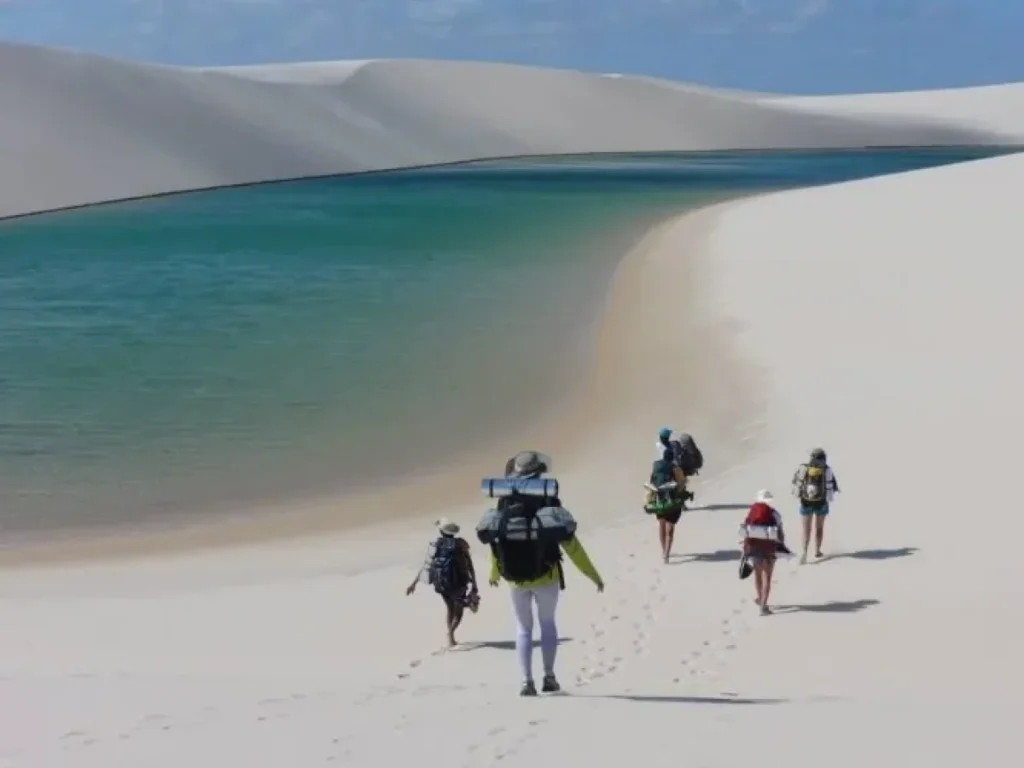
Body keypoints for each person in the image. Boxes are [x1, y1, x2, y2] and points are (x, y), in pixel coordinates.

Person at [480, 450, 604, 697]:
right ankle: (549, 677)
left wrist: (493, 572)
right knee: (547, 624)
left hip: (515, 579)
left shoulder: (504, 501)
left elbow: (497, 541)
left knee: (523, 629)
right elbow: (571, 544)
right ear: (539, 472)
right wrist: (592, 574)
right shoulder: (548, 500)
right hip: (547, 576)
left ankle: (526, 682)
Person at [406, 517, 480, 648]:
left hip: (441, 583)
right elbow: (470, 565)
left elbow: (427, 566)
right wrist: (474, 583)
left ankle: (451, 639)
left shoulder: (436, 544)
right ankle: (450, 633)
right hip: (458, 583)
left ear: (441, 531)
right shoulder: (461, 544)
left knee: (450, 609)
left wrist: (414, 583)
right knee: (459, 612)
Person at [739, 490, 789, 615]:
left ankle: (759, 597)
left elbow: (746, 530)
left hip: (754, 548)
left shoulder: (752, 512)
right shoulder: (775, 514)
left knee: (757, 575)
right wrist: (781, 545)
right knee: (767, 577)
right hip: (769, 549)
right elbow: (780, 535)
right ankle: (763, 606)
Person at [791, 447, 841, 563]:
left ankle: (804, 551)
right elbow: (833, 487)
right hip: (821, 503)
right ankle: (817, 551)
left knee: (806, 529)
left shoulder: (805, 468)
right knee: (819, 528)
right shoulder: (827, 470)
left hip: (806, 502)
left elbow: (795, 481)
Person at [644, 447, 688, 563]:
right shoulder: (675, 468)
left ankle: (663, 551)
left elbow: (651, 483)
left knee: (661, 525)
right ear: (672, 458)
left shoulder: (656, 468)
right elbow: (682, 483)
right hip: (671, 502)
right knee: (670, 527)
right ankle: (667, 555)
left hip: (659, 501)